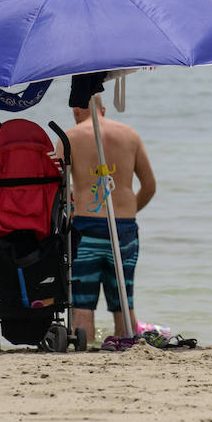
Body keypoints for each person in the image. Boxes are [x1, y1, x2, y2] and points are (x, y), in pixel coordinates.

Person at [61, 72, 156, 347]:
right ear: (102, 109)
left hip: (86, 227)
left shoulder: (69, 137)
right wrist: (128, 212)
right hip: (124, 228)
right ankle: (127, 345)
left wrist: (73, 203)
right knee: (123, 300)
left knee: (82, 303)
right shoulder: (130, 135)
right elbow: (149, 186)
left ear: (76, 110)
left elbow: (57, 189)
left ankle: (84, 348)